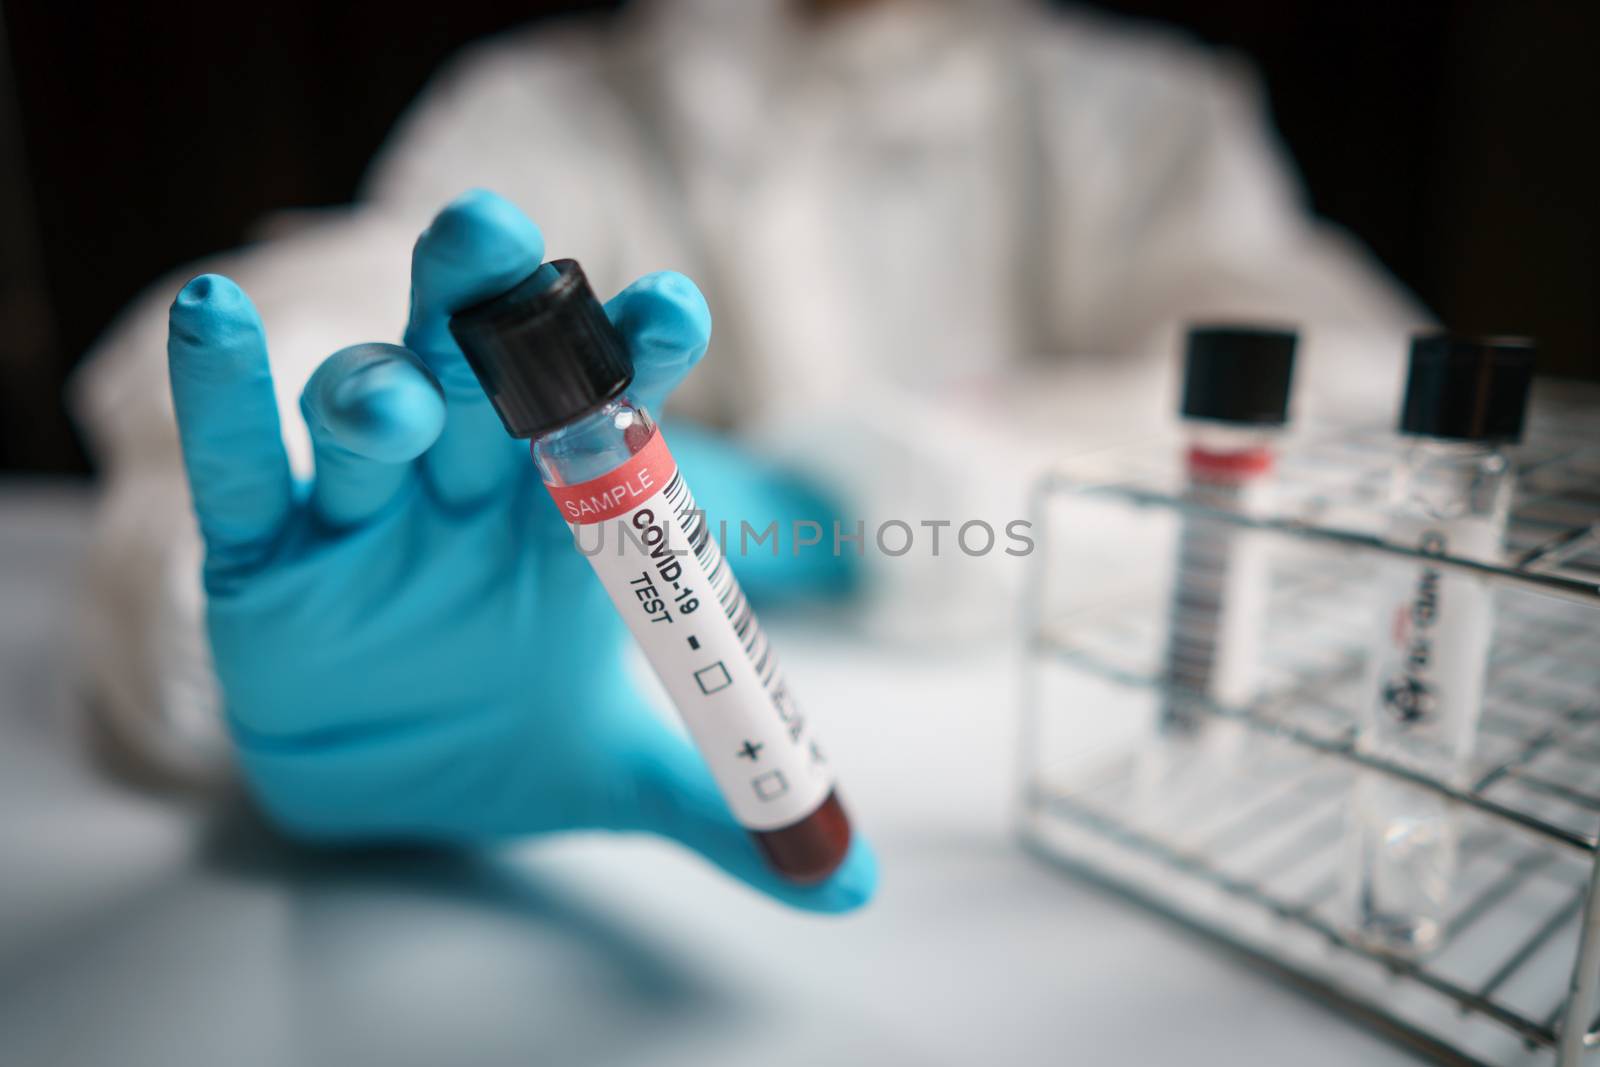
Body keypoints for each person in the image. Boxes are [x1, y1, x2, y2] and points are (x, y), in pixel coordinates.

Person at [69, 0, 1427, 911]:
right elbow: (356, 289)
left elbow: (1352, 400)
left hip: (1091, 775)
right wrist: (266, 571)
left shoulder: (1137, 113)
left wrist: (837, 510)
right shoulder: (546, 105)